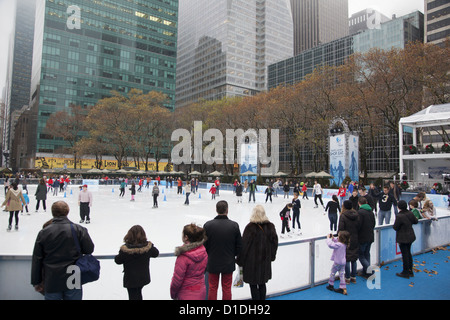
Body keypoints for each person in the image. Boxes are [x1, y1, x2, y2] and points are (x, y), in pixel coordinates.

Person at [31, 201, 95, 300]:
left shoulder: (44, 232)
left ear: (52, 212)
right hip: (73, 275)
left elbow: (37, 258)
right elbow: (89, 249)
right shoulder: (79, 230)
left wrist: (36, 281)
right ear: (67, 211)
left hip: (52, 277)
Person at [236, 205, 278, 300]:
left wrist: (240, 260)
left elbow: (244, 246)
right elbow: (274, 243)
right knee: (262, 283)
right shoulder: (270, 226)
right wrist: (271, 256)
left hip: (252, 262)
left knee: (253, 284)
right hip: (264, 261)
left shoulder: (250, 227)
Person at [203, 201, 242, 300]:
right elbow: (239, 246)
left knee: (212, 288)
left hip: (212, 263)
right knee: (227, 288)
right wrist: (233, 255)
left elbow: (204, 246)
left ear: (216, 210)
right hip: (228, 262)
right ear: (227, 210)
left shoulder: (208, 225)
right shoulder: (234, 226)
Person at [114, 225, 159, 300]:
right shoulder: (147, 248)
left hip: (131, 279)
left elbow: (118, 260)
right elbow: (156, 253)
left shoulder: (125, 250)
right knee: (138, 293)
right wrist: (150, 245)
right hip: (143, 277)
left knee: (133, 295)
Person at [170, 224, 208, 300]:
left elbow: (177, 280)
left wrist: (173, 293)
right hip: (201, 291)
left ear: (186, 237)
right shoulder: (203, 251)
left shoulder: (184, 256)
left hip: (186, 293)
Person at [393, 200, 418, 278]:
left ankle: (405, 272)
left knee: (405, 254)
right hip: (410, 236)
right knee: (408, 253)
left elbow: (395, 227)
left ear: (399, 207)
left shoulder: (399, 216)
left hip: (403, 238)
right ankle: (410, 271)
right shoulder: (410, 213)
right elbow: (415, 221)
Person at [338, 200, 361, 284]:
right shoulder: (356, 215)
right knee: (354, 259)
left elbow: (341, 228)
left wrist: (340, 237)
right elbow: (359, 226)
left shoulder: (343, 216)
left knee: (347, 259)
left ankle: (347, 277)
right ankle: (353, 277)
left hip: (346, 239)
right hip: (355, 238)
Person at [326, 231, 350, 295]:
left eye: (338, 237)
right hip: (343, 262)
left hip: (337, 263)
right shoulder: (344, 244)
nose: (337, 238)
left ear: (341, 238)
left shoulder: (339, 245)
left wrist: (328, 238)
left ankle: (330, 285)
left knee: (332, 273)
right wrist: (333, 238)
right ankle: (343, 288)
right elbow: (337, 242)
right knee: (342, 275)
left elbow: (330, 245)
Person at [357, 197, 376, 279]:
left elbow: (358, 225)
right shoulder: (371, 212)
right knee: (367, 253)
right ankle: (366, 272)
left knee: (361, 255)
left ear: (359, 203)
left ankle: (369, 271)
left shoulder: (360, 212)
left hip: (362, 237)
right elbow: (373, 224)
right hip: (370, 236)